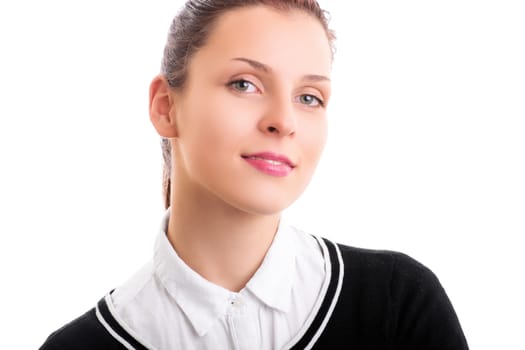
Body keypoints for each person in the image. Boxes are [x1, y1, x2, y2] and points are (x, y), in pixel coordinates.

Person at [40, 0, 469, 349]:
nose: (284, 121)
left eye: (309, 97)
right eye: (244, 84)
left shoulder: (399, 304)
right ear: (166, 107)